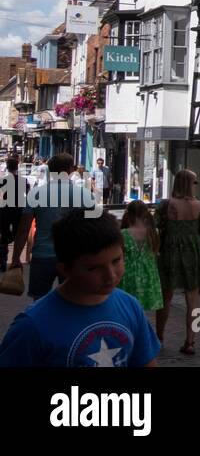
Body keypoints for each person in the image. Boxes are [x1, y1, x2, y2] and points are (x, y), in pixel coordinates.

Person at [0, 212, 160, 367]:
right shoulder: (31, 327)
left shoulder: (131, 306)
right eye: (93, 268)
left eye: (116, 260)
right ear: (65, 270)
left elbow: (145, 361)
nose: (110, 275)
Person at [9, 152, 96, 299]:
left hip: (42, 255)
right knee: (73, 300)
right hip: (73, 256)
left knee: (39, 301)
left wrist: (16, 257)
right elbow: (94, 229)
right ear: (70, 169)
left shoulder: (36, 194)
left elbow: (24, 229)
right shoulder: (84, 195)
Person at [154, 169, 200, 355]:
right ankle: (191, 341)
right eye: (195, 182)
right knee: (194, 300)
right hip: (194, 253)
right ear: (188, 184)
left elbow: (157, 226)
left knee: (165, 298)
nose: (197, 185)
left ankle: (159, 337)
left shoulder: (165, 205)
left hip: (170, 252)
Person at [119, 200, 164, 319]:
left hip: (128, 275)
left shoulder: (123, 234)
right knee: (142, 311)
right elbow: (155, 251)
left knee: (127, 309)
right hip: (148, 274)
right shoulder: (153, 233)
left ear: (129, 214)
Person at [0, 157, 22, 273]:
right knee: (18, 235)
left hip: (5, 209)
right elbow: (27, 194)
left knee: (3, 235)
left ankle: (2, 261)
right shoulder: (23, 180)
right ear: (17, 167)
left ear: (7, 167)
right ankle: (16, 259)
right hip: (18, 210)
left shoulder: (4, 180)